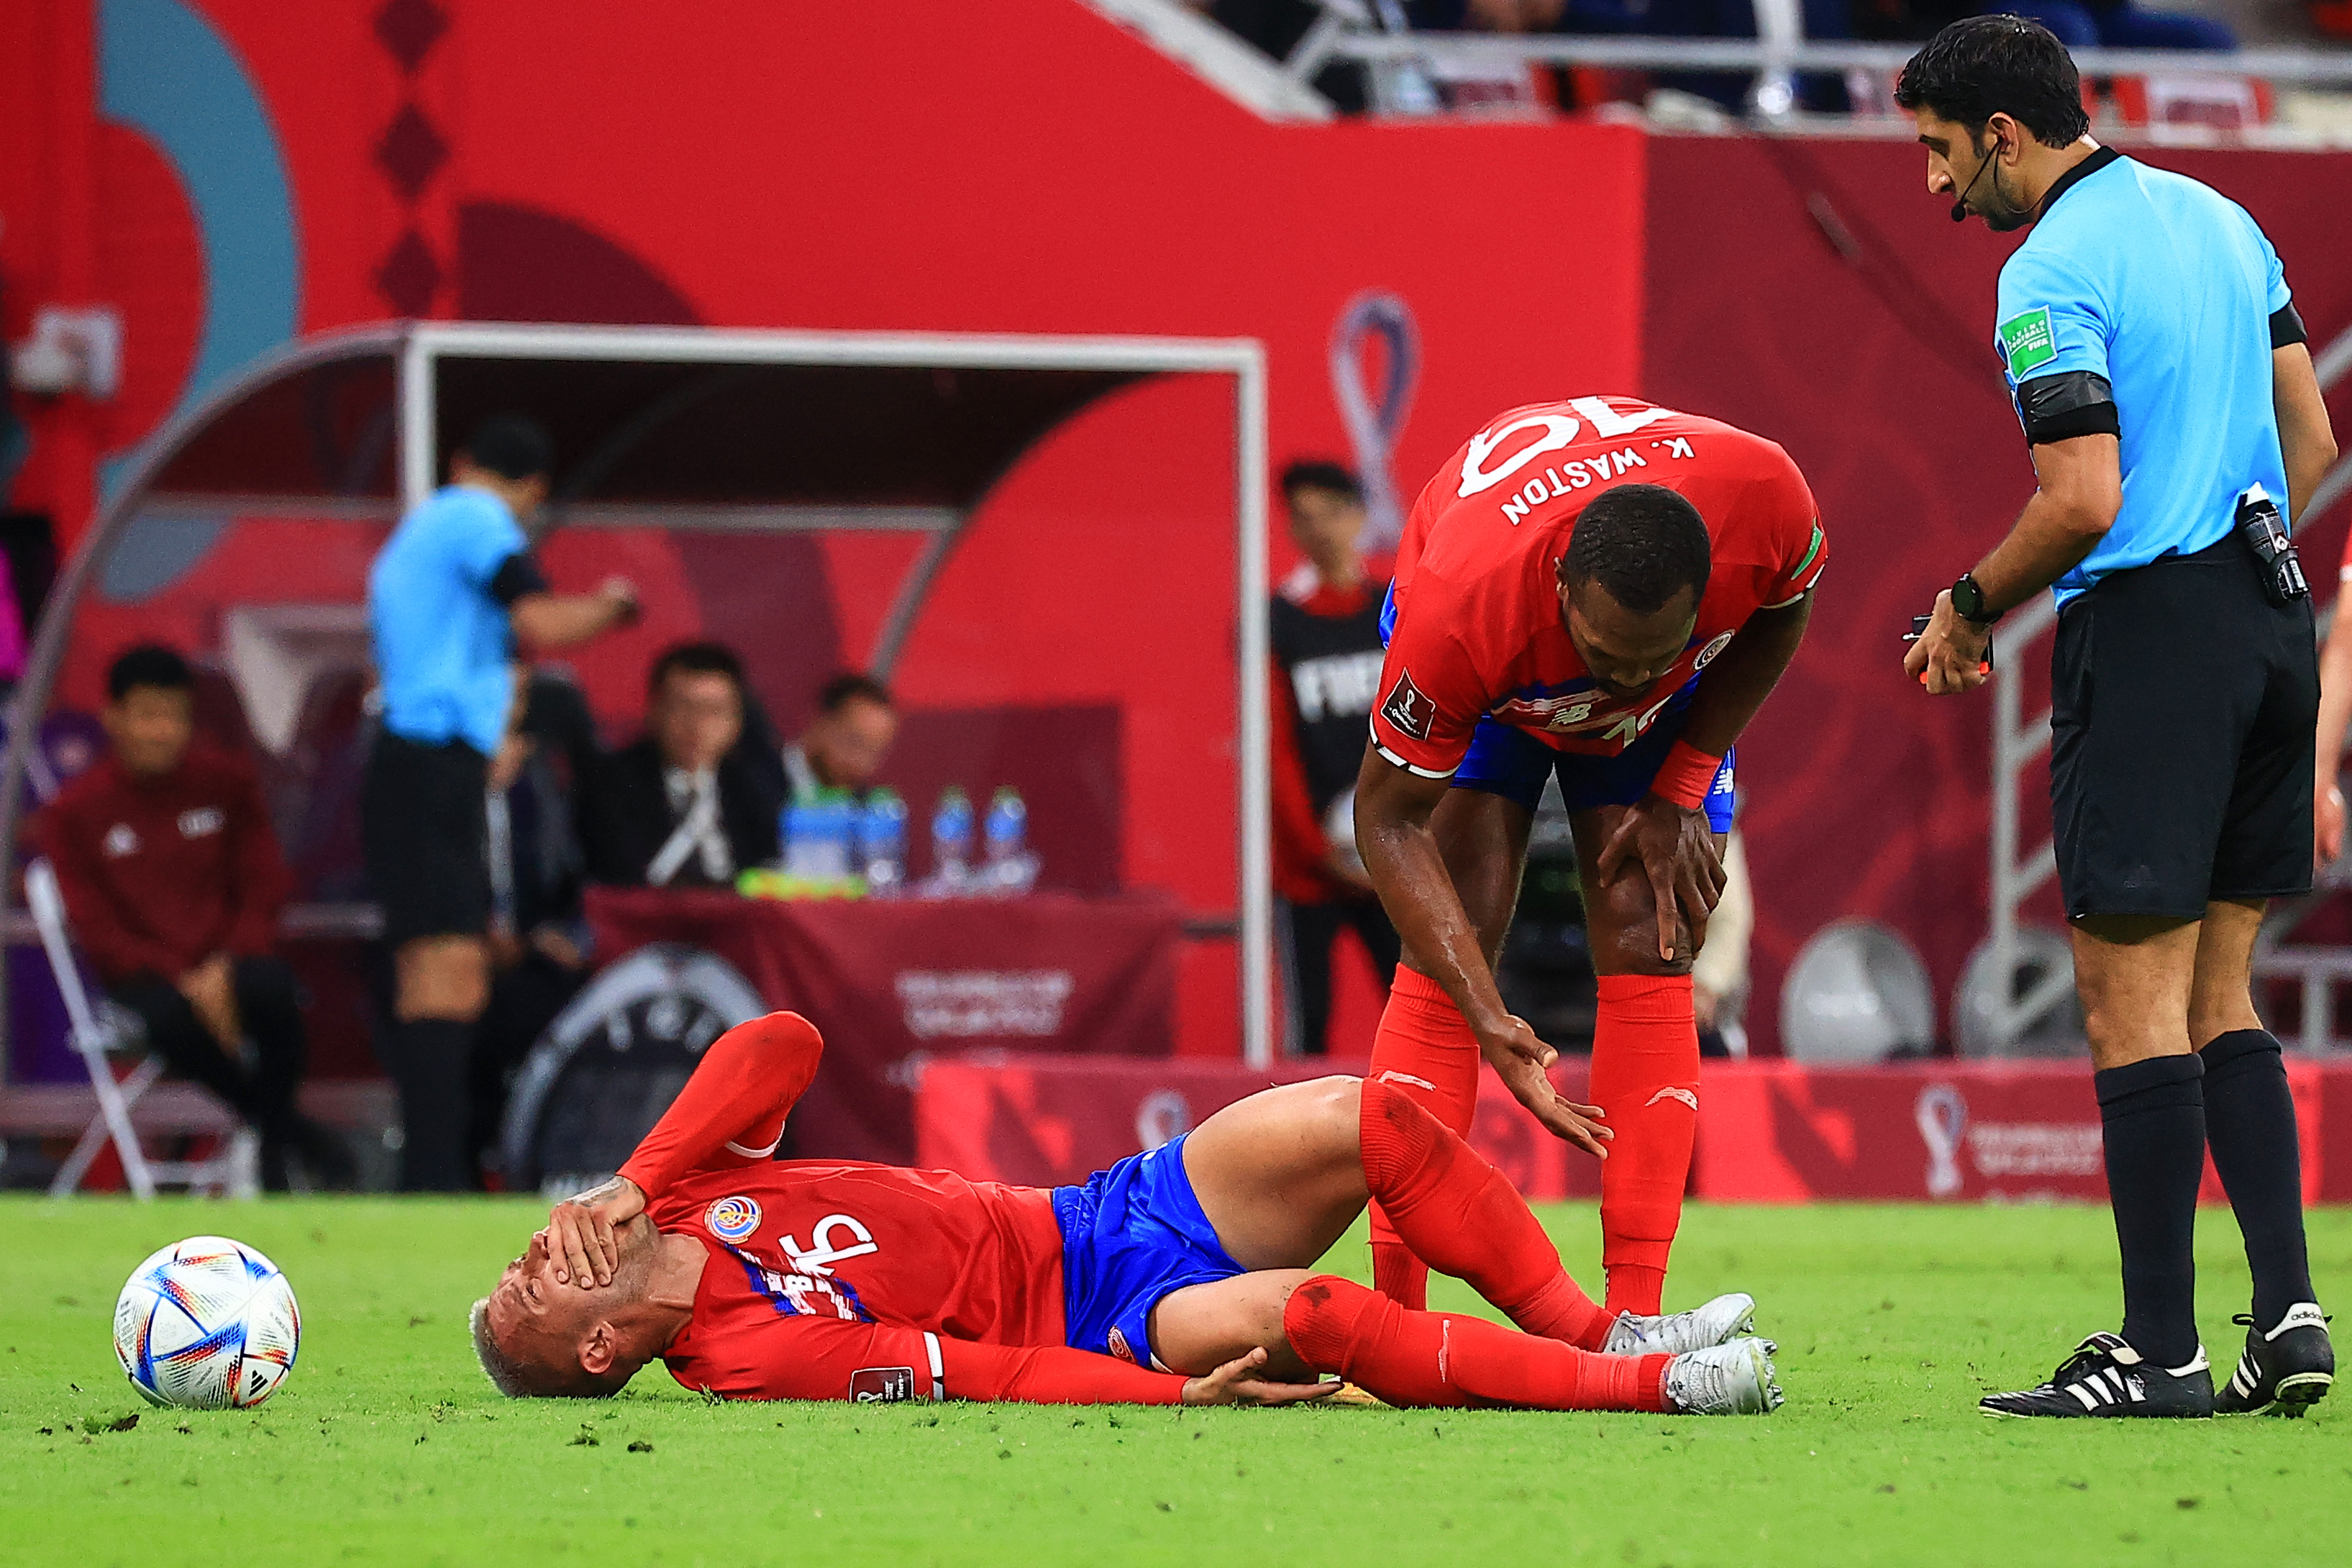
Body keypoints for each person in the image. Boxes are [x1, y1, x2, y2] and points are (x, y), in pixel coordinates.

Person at [1898, 17, 2337, 1418]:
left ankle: (2161, 1353)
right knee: (2224, 998)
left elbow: (2082, 497)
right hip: (2274, 619)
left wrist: (1966, 604)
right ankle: (2290, 1318)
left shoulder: (2050, 268)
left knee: (2124, 1001)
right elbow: (2315, 441)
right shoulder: (2223, 217)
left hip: (2153, 637)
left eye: (1937, 150)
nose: (1933, 186)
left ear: (2004, 135)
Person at [471, 1012, 1782, 1413]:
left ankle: (1606, 1330)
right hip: (1117, 1322)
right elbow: (990, 1373)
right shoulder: (745, 1358)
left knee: (1366, 1112)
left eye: (522, 1252)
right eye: (535, 1287)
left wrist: (634, 1181)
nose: (540, 1249)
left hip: (1094, 1213)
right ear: (601, 1350)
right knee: (1313, 1314)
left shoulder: (684, 1182)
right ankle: (1655, 1393)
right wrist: (1185, 1399)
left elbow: (784, 1041)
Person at [1354, 399, 1825, 1323]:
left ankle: (1636, 1322)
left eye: (1651, 659)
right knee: (1461, 919)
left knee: (1656, 928)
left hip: (1651, 704)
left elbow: (1787, 606)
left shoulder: (1768, 498)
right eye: (1607, 656)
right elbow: (1386, 821)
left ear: (1704, 595)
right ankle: (1393, 1321)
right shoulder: (1459, 610)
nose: (1623, 687)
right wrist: (1489, 1017)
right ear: (1563, 581)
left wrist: (1683, 777)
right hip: (1501, 684)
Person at [365, 413, 639, 1190]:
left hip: (435, 762)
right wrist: (616, 605)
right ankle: (430, 1179)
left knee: (451, 967)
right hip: (426, 759)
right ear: (533, 491)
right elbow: (539, 615)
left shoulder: (425, 531)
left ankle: (435, 1171)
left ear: (459, 457)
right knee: (442, 968)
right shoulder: (474, 517)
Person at [35, 645, 353, 1189]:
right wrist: (184, 978)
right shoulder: (75, 813)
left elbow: (264, 883)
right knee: (166, 1014)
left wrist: (223, 967)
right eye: (148, 716)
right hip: (147, 980)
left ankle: (275, 1145)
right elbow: (99, 930)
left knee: (273, 992)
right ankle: (289, 1135)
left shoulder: (225, 785)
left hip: (232, 962)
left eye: (175, 716)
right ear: (114, 718)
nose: (163, 731)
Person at [1270, 461, 1402, 1057]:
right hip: (1311, 871)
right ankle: (1296, 1148)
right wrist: (1320, 851)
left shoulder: (1392, 610)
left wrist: (1406, 837)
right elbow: (1272, 748)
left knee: (1417, 1018)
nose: (1319, 530)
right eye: (1303, 518)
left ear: (1359, 517)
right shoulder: (1278, 621)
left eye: (1330, 514)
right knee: (1309, 1032)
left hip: (1396, 858)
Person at [579, 642, 780, 889]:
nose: (697, 725)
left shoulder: (754, 786)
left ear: (736, 721)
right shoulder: (611, 783)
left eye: (713, 711)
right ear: (654, 710)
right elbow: (615, 872)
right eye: (683, 707)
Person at [782, 672, 898, 804]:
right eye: (855, 743)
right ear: (820, 723)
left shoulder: (860, 805)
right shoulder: (761, 782)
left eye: (874, 753)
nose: (861, 764)